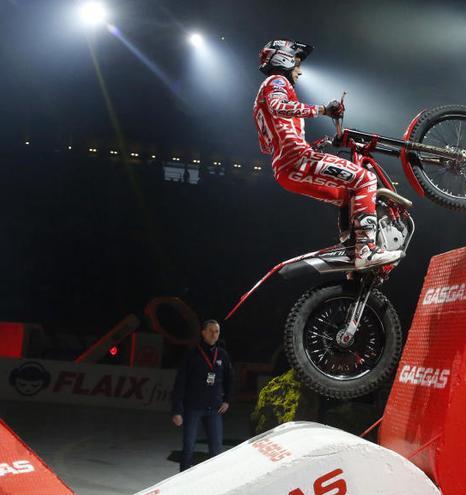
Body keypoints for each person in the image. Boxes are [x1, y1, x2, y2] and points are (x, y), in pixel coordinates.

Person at [253, 39, 403, 270]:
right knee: (365, 179)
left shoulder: (258, 102)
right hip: (297, 159)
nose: (300, 71)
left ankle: (349, 249)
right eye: (297, 64)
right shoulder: (277, 81)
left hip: (284, 171)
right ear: (284, 59)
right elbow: (278, 106)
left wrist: (312, 144)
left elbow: (266, 145)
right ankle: (365, 250)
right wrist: (322, 110)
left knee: (346, 196)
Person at [170, 319, 233, 471]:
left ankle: (211, 482)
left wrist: (227, 400)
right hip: (193, 408)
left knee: (217, 450)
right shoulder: (191, 354)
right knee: (189, 447)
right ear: (203, 333)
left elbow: (230, 379)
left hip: (215, 409)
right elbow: (180, 383)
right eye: (210, 331)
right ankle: (183, 481)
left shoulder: (222, 355)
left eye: (216, 331)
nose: (214, 334)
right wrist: (177, 410)